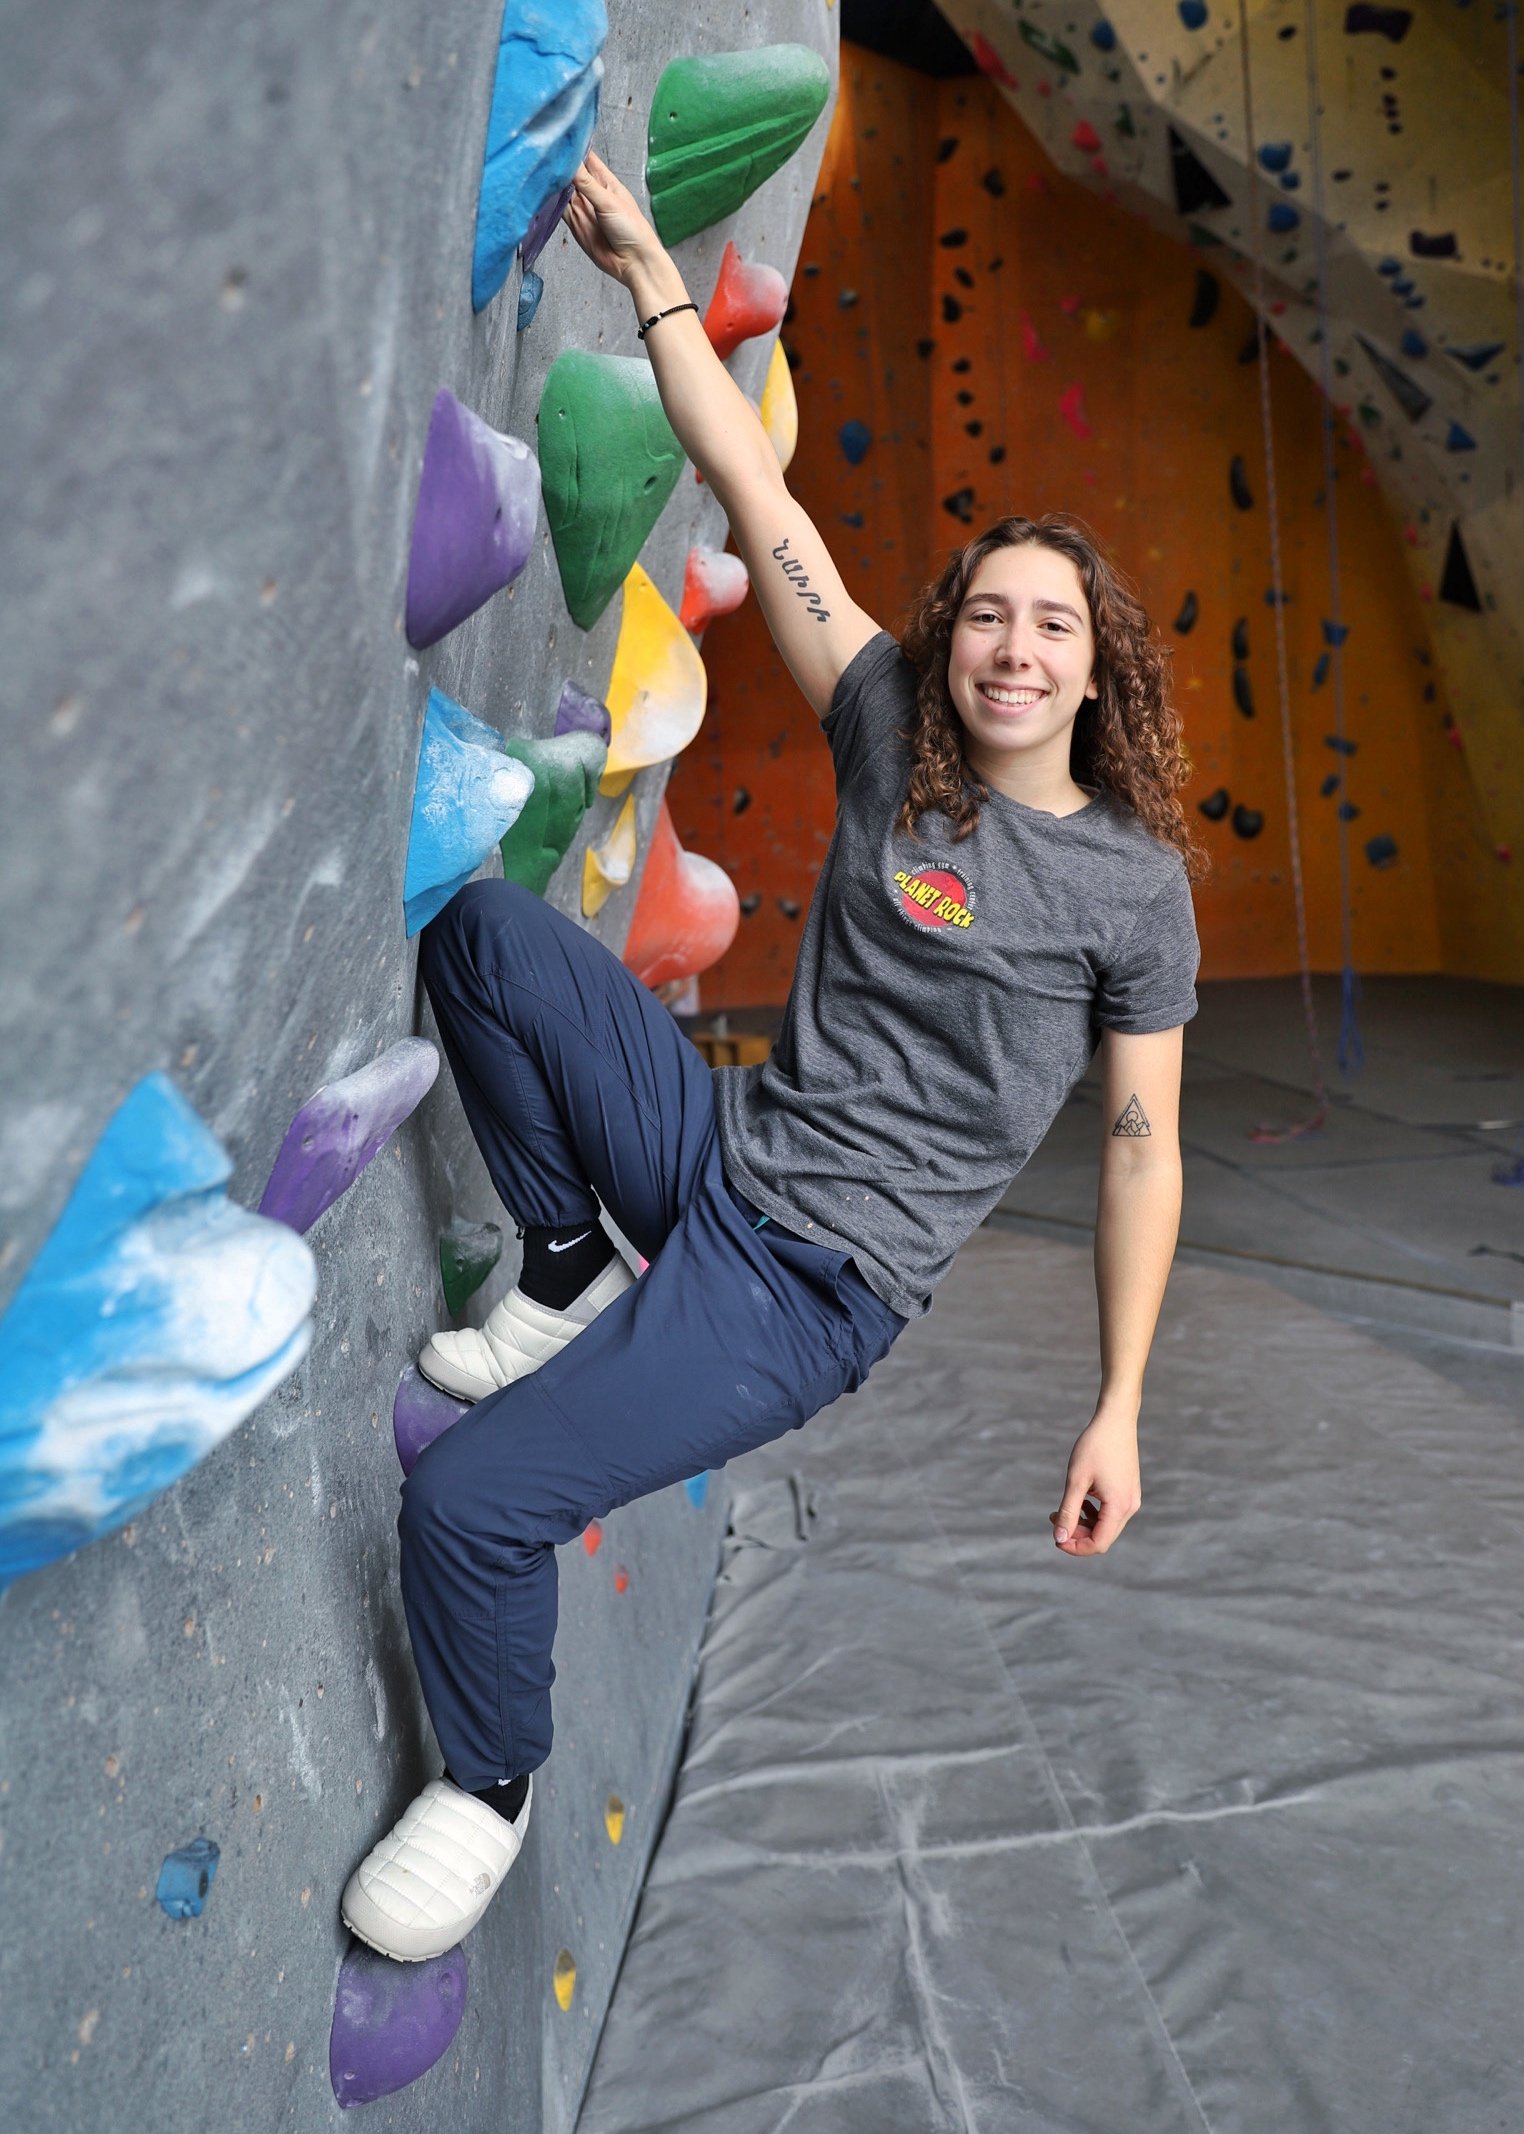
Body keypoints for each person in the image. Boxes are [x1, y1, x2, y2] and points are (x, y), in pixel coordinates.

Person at [340, 151, 1201, 1963]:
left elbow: (1142, 1149)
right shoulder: (898, 726)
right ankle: (566, 1263)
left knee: (473, 1503)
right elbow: (750, 474)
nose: (1013, 644)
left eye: (1054, 623)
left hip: (806, 1292)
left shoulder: (1131, 892)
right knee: (486, 938)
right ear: (952, 632)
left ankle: (487, 1782)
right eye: (989, 609)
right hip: (719, 1153)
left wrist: (1118, 1405)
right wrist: (653, 266)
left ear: (1098, 668)